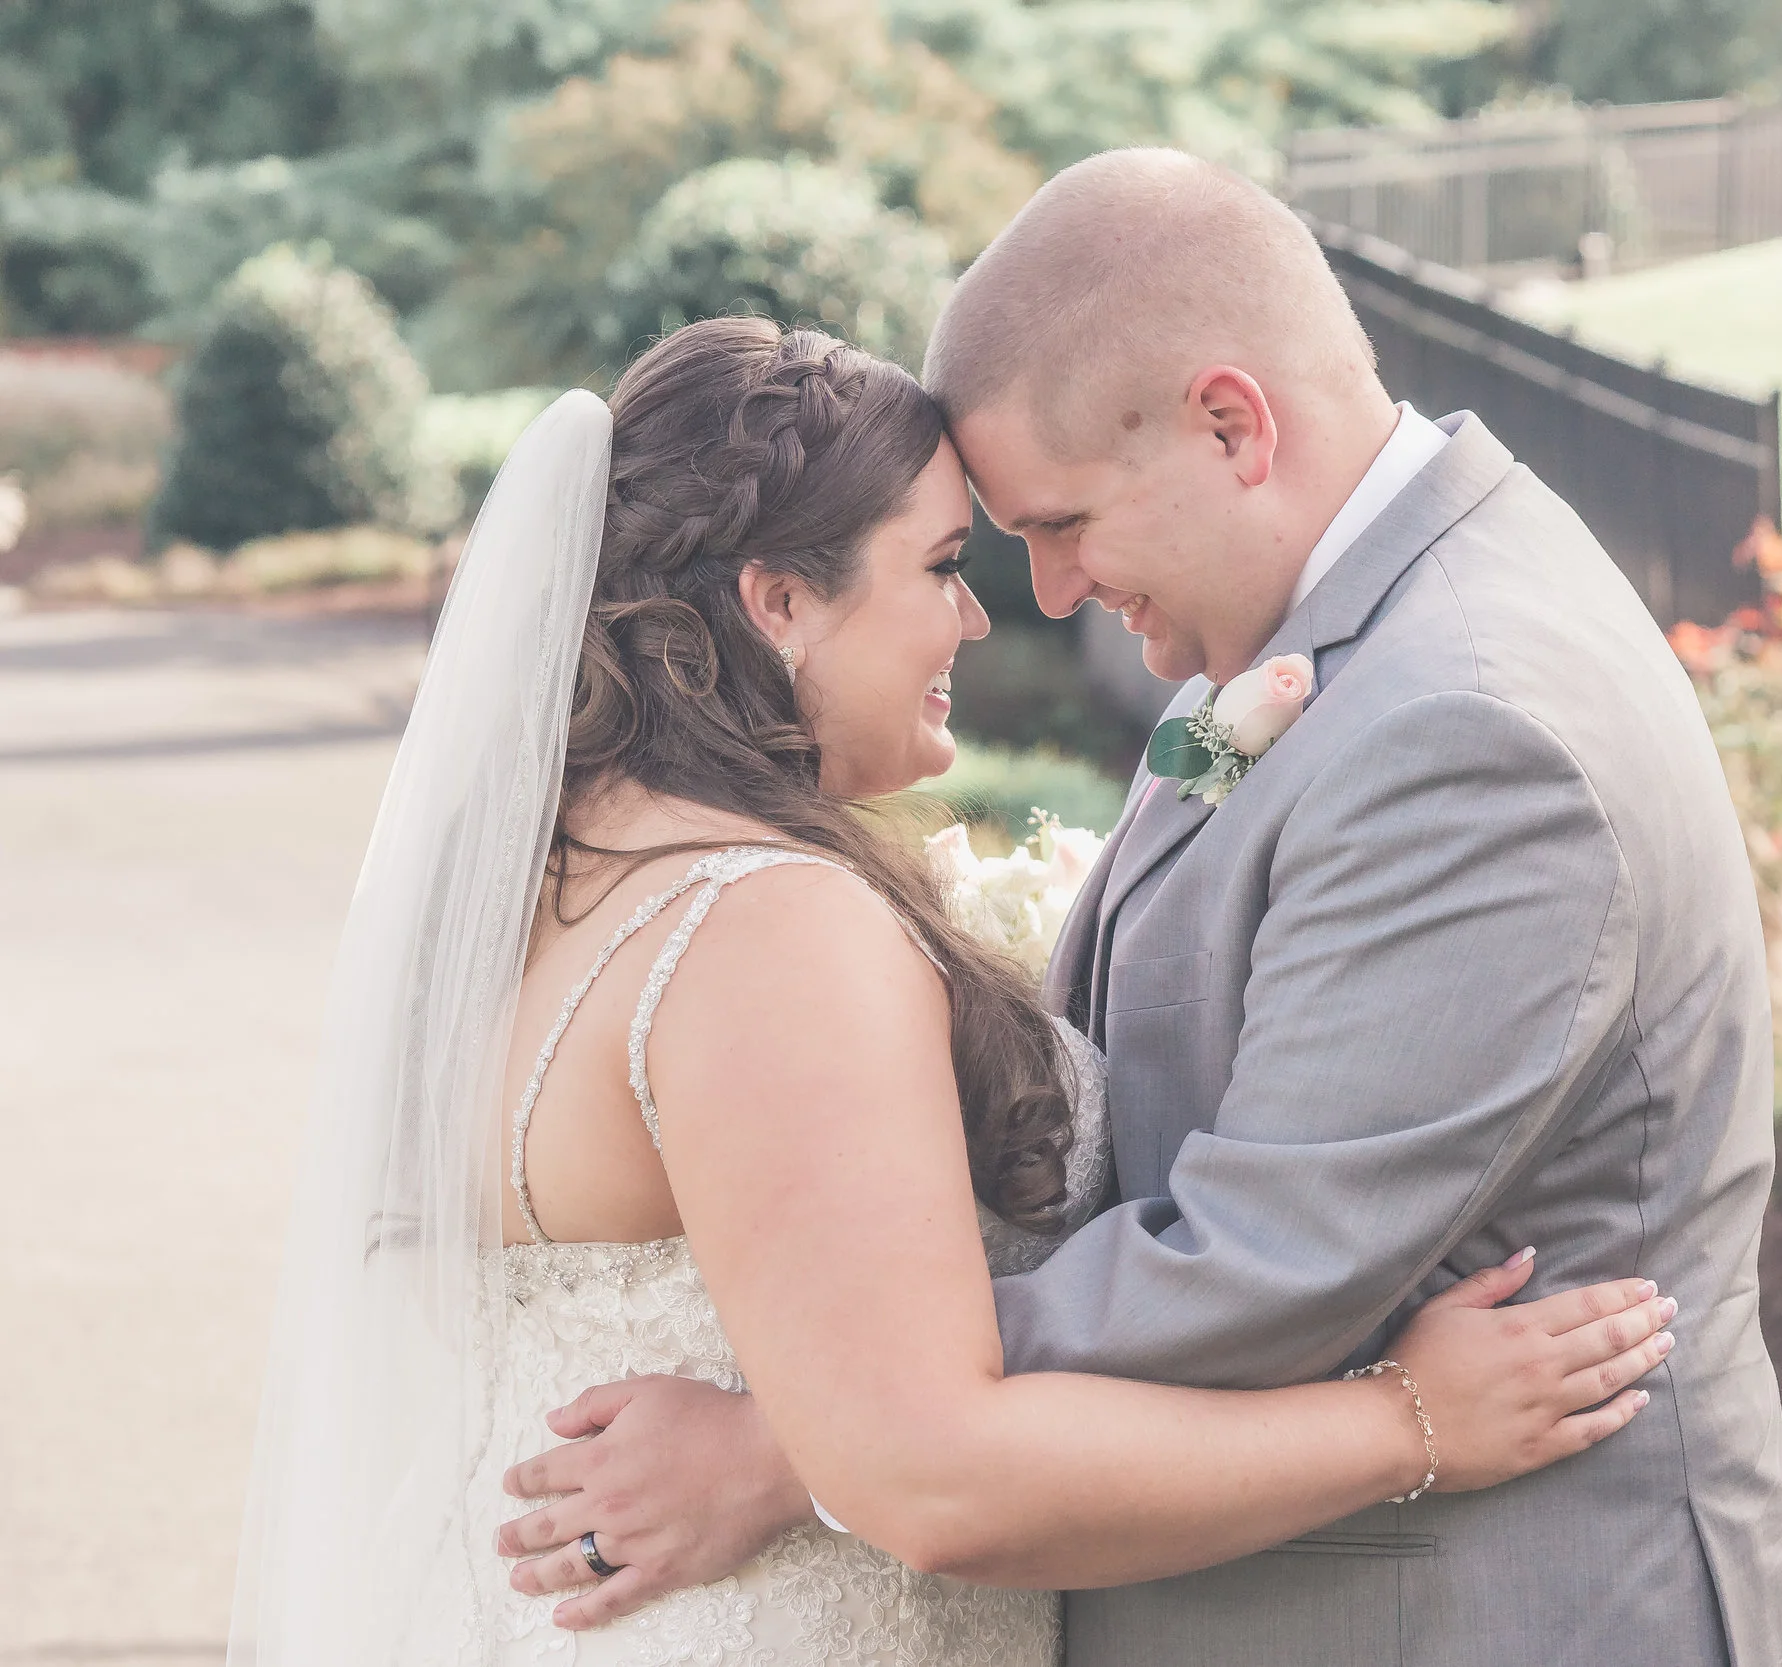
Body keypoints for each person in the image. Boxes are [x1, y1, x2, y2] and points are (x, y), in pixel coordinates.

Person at [506, 150, 1782, 1666]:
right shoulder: (1328, 655)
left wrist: (809, 1437)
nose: (1051, 595)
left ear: (1231, 424)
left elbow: (1256, 1272)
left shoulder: (1468, 727)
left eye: (1060, 525)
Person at [226, 312, 1674, 1665]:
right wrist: (1414, 1421)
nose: (981, 621)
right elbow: (926, 1472)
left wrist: (1195, 796)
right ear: (780, 599)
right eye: (940, 567)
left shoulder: (546, 889)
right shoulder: (765, 930)